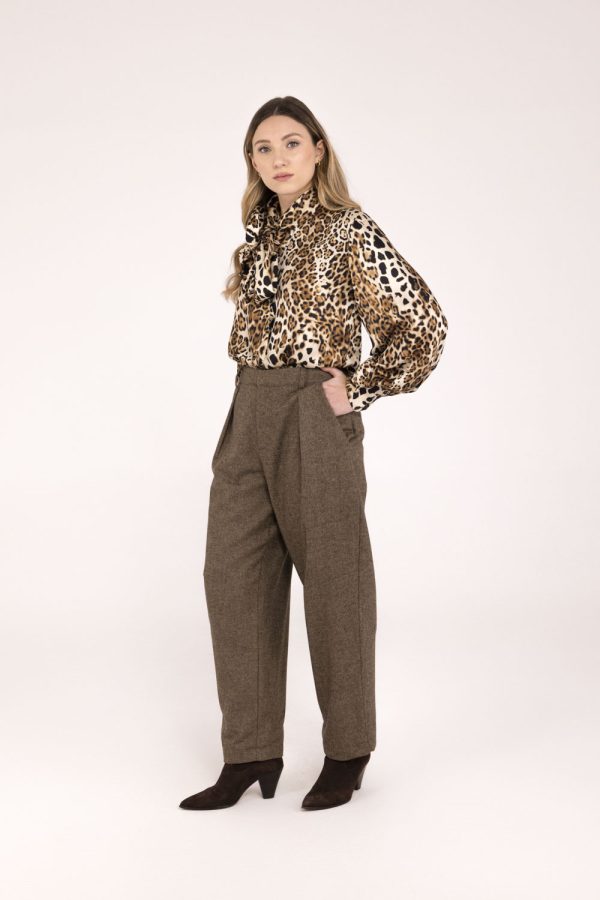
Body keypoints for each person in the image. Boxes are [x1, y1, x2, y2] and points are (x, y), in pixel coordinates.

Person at [180, 96, 448, 812]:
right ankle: (250, 752)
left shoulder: (348, 228)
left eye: (291, 143)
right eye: (262, 148)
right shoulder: (259, 235)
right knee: (232, 577)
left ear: (319, 149)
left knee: (334, 582)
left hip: (313, 408)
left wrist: (360, 386)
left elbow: (423, 323)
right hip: (248, 406)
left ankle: (348, 749)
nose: (278, 159)